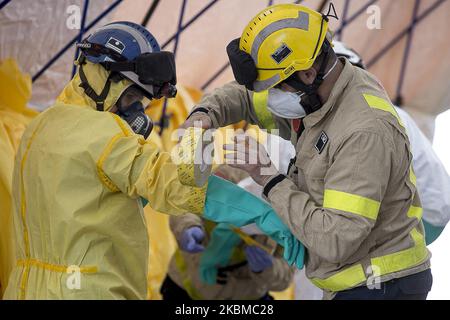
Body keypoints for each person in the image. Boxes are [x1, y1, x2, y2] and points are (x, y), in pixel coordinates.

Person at [181, 4, 432, 300]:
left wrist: (268, 177)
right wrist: (204, 113)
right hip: (348, 280)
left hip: (381, 285)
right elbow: (245, 98)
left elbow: (335, 240)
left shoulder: (363, 133)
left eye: (274, 88)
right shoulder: (318, 93)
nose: (269, 99)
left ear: (309, 74)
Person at [4, 21, 207, 300]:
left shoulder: (38, 125)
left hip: (26, 288)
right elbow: (180, 188)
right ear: (102, 75)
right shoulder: (106, 132)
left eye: (143, 102)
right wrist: (199, 133)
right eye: (132, 96)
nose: (136, 111)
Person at [161, 167, 294, 300]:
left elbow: (286, 276)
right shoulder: (236, 174)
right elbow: (188, 200)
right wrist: (187, 227)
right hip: (187, 287)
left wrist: (269, 268)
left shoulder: (294, 210)